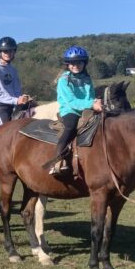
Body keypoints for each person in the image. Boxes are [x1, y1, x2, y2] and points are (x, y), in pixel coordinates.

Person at [49, 45, 103, 175]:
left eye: (79, 62)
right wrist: (91, 104)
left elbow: (90, 96)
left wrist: (96, 102)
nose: (76, 65)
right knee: (70, 127)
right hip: (70, 110)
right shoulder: (64, 80)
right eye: (72, 63)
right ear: (67, 64)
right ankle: (57, 160)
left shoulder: (87, 79)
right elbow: (72, 102)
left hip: (87, 109)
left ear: (84, 63)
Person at [0, 36, 31, 124]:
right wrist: (16, 100)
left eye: (11, 51)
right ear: (0, 52)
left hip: (13, 104)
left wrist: (21, 98)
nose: (8, 53)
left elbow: (17, 90)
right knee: (6, 131)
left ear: (14, 52)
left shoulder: (13, 70)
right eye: (5, 51)